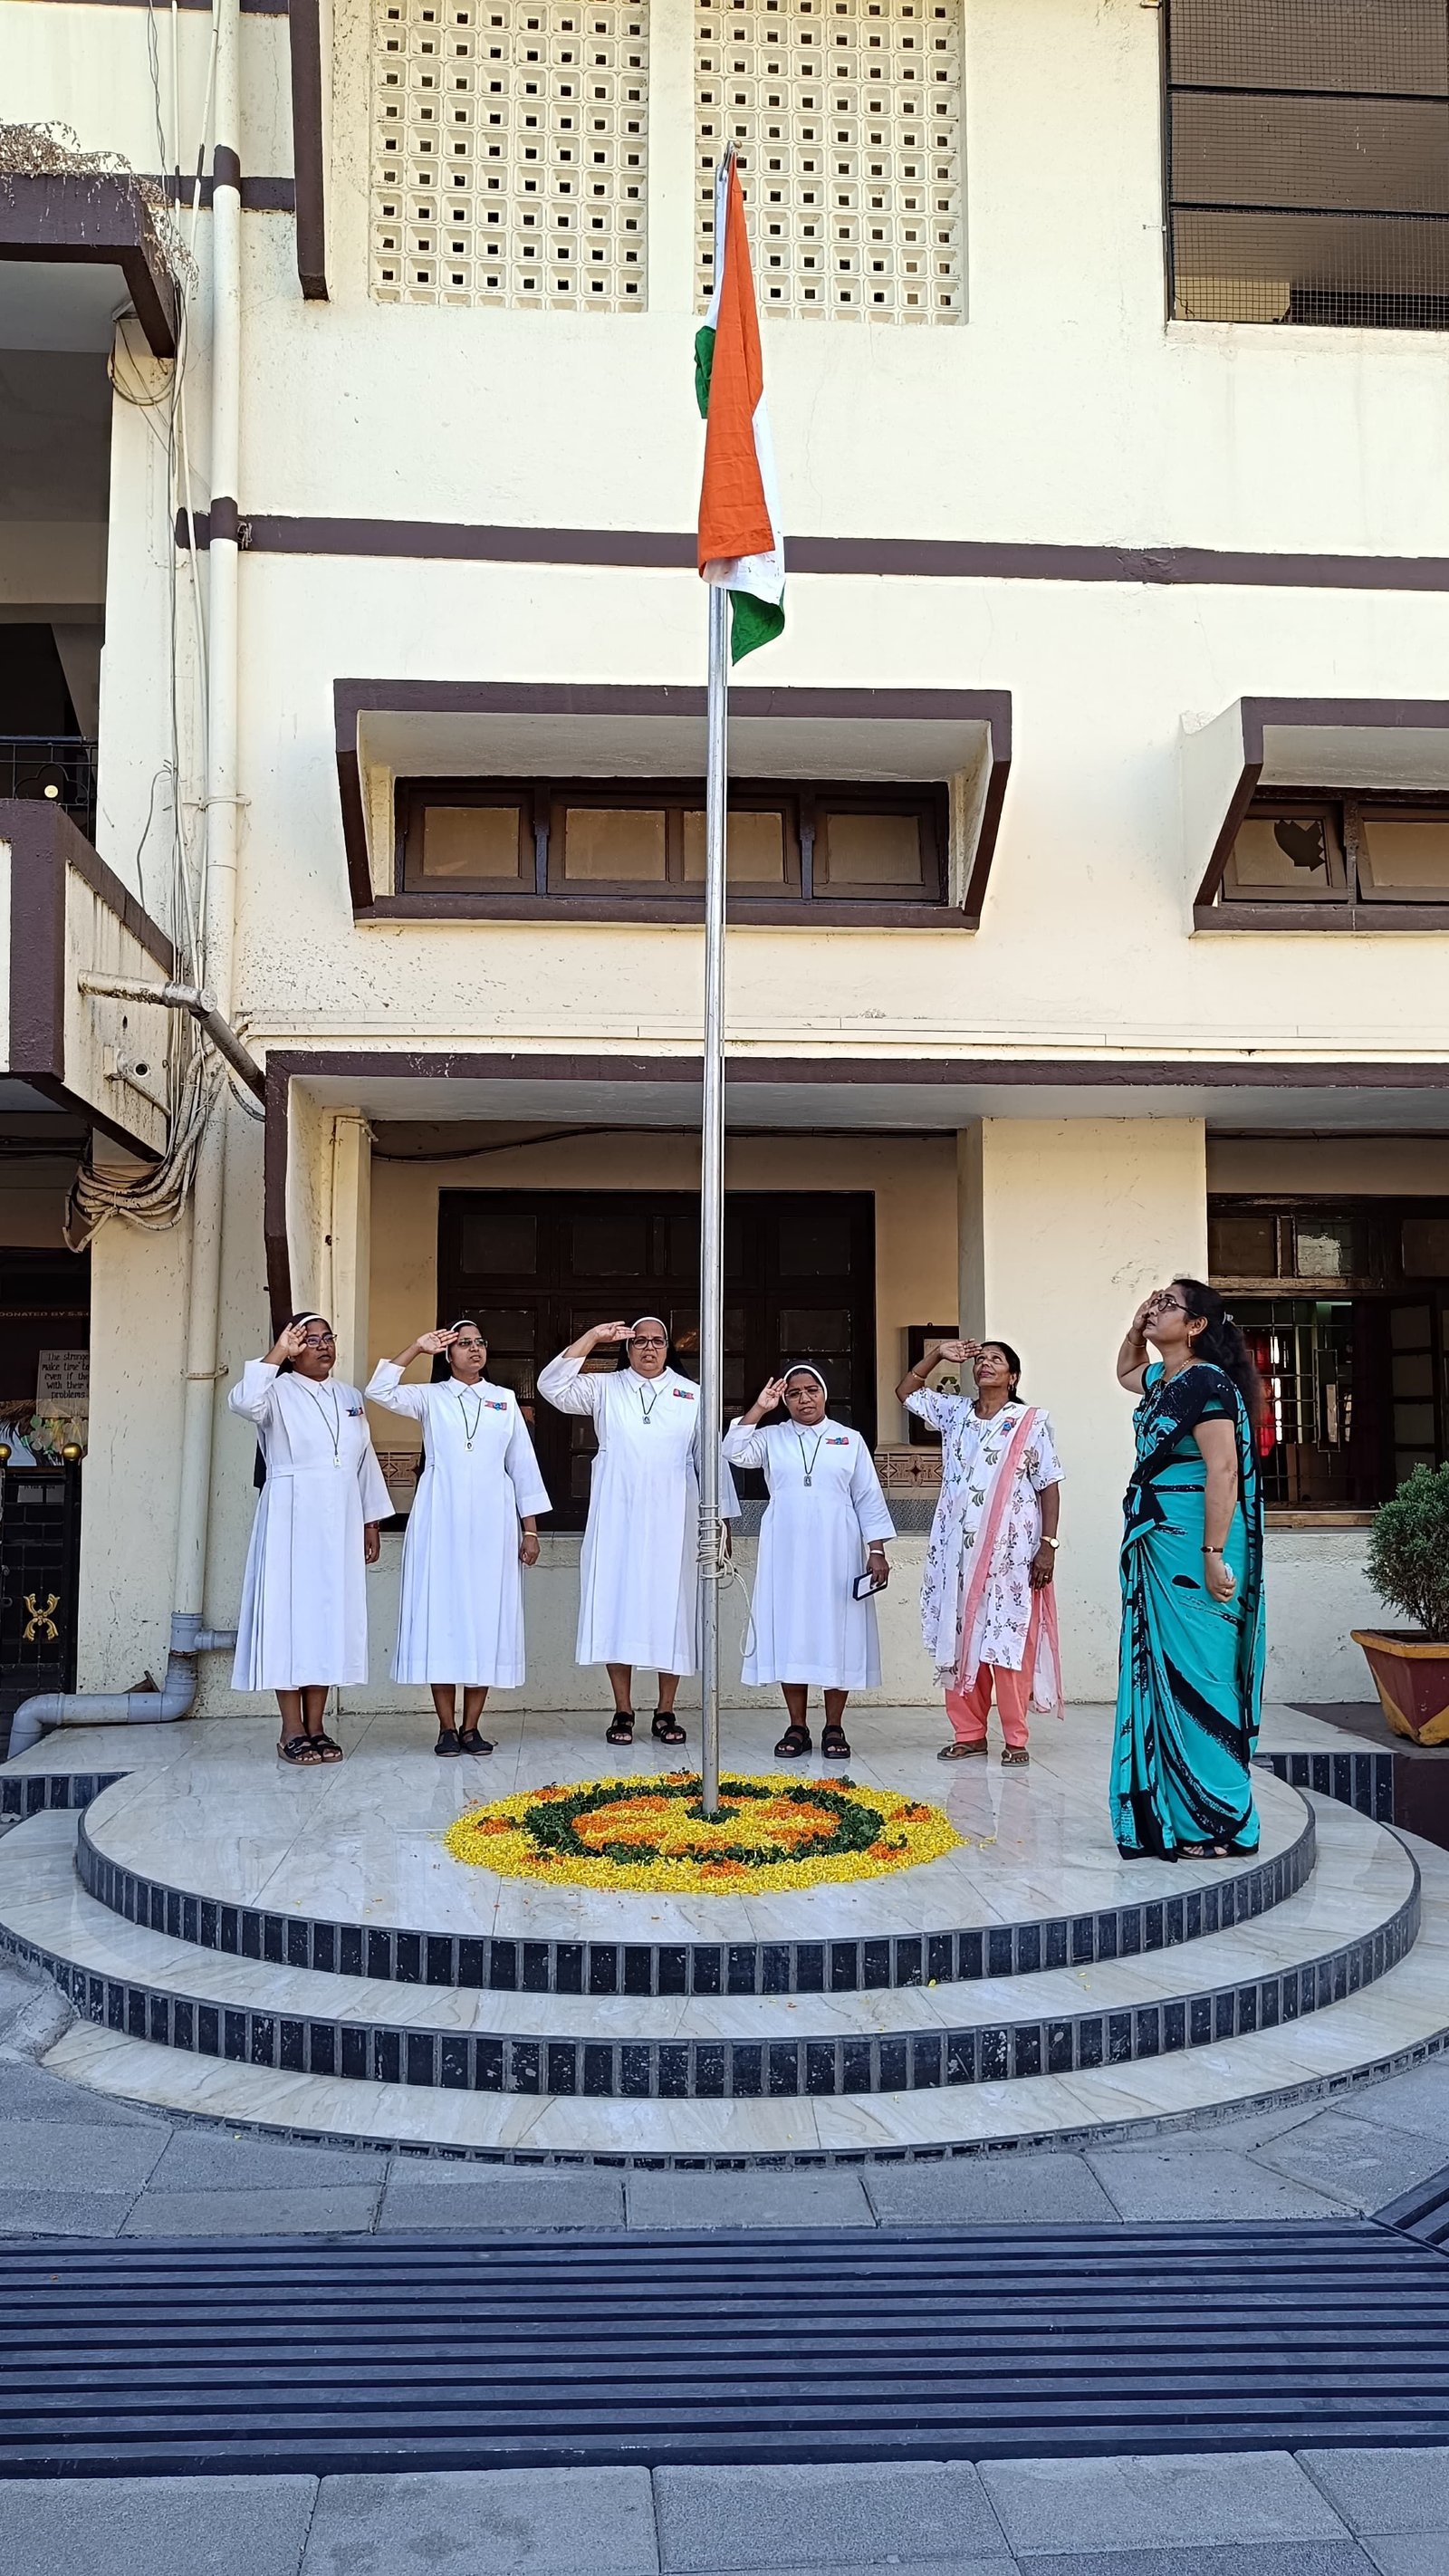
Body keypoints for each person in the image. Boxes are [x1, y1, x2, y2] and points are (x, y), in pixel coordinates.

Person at [1112, 1277, 1266, 1860]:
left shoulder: (1208, 1383)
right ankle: (1178, 1815)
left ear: (1197, 1325)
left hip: (1196, 1544)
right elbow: (1127, 1372)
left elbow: (1223, 1470)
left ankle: (1223, 1820)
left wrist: (1213, 1554)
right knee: (1165, 1674)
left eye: (1167, 1304)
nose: (1155, 1308)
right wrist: (1137, 1326)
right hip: (1160, 1538)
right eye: (1154, 1300)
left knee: (1202, 1673)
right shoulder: (1165, 1379)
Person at [537, 1318, 738, 1747]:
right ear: (628, 1349)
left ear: (668, 1348)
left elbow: (711, 1459)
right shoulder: (605, 1388)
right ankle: (623, 1710)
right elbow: (551, 1386)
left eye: (657, 1341)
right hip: (618, 1514)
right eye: (640, 1341)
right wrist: (593, 1337)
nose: (649, 1348)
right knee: (618, 1605)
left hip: (675, 1516)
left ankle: (666, 1710)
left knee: (675, 1607)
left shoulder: (693, 1394)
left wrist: (720, 1521)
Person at [365, 1320, 551, 1757]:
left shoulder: (504, 1399)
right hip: (440, 1519)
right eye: (463, 1343)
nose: (474, 1349)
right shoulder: (431, 1397)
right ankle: (446, 1727)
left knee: (485, 1618)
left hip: (493, 1522)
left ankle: (472, 1727)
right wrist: (417, 1346)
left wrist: (530, 1529)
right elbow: (379, 1390)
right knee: (442, 1618)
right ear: (448, 1355)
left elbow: (523, 1467)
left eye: (479, 1342)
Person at [228, 1313, 391, 1765]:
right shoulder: (274, 1391)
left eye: (327, 1338)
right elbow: (242, 1401)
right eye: (310, 1339)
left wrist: (371, 1522)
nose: (322, 1346)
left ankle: (317, 1726)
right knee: (289, 1617)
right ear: (293, 1348)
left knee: (326, 1617)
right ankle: (291, 1729)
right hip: (291, 1515)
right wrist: (278, 1351)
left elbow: (363, 1459)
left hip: (341, 1519)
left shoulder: (350, 1396)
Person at [896, 1336, 1063, 1765]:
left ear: (1013, 1376)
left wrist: (1048, 1546)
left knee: (1007, 1639)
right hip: (958, 1554)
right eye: (981, 1358)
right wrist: (937, 1355)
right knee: (961, 1637)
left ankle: (1015, 1738)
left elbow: (1048, 1485)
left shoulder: (1028, 1422)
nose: (986, 1363)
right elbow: (906, 1392)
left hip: (1013, 1554)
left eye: (997, 1359)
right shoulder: (955, 1414)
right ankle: (969, 1734)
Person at [723, 1364, 894, 1760]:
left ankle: (834, 1726)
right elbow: (732, 1450)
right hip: (786, 1550)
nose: (804, 1399)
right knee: (792, 1632)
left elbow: (868, 1498)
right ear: (785, 1400)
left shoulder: (849, 1440)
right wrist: (760, 1408)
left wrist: (877, 1550)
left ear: (824, 1394)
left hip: (838, 1551)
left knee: (838, 1633)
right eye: (794, 1393)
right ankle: (797, 1726)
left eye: (811, 1390)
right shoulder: (771, 1437)